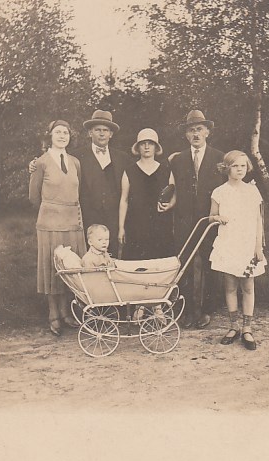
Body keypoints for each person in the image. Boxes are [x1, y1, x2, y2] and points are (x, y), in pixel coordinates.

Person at [29, 110, 129, 257]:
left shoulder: (122, 158)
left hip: (112, 218)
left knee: (110, 257)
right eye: (97, 130)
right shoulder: (76, 157)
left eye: (105, 130)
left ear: (111, 134)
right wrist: (33, 165)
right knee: (85, 258)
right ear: (90, 133)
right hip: (86, 217)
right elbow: (56, 164)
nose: (102, 134)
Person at [29, 120, 87, 337]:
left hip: (73, 221)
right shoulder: (41, 163)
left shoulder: (75, 162)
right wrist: (52, 208)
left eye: (66, 132)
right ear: (50, 136)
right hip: (50, 223)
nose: (62, 136)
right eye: (58, 132)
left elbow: (76, 190)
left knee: (69, 267)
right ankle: (53, 314)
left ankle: (66, 313)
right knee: (51, 267)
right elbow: (33, 196)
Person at [170, 110, 225, 329]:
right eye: (191, 130)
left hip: (210, 219)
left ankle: (208, 310)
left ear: (208, 132)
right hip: (185, 220)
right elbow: (172, 189)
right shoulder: (177, 159)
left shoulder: (219, 157)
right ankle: (188, 311)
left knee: (211, 263)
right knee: (185, 265)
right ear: (186, 135)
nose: (196, 134)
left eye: (200, 129)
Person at [209, 150, 266, 350]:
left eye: (243, 165)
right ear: (227, 168)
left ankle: (247, 328)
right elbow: (211, 216)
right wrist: (218, 218)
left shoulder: (252, 191)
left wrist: (258, 246)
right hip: (228, 244)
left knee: (248, 287)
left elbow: (259, 220)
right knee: (230, 286)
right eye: (235, 166)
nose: (240, 169)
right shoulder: (219, 192)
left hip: (247, 246)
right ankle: (233, 327)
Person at [118, 128, 175, 261]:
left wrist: (170, 205)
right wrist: (121, 228)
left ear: (156, 147)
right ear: (138, 147)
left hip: (160, 226)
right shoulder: (129, 171)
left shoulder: (166, 170)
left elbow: (174, 193)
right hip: (136, 226)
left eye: (151, 143)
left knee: (160, 265)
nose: (147, 146)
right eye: (143, 143)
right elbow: (124, 200)